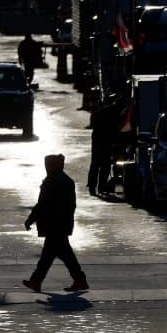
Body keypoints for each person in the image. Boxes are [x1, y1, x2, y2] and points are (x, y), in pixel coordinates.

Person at [22, 154, 89, 292]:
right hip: (61, 224)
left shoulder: (52, 181)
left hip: (54, 224)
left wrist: (31, 219)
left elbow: (42, 204)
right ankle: (37, 281)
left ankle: (78, 280)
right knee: (53, 255)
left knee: (56, 255)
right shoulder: (65, 180)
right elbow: (71, 206)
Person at [86, 99, 118, 196]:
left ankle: (92, 186)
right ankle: (101, 186)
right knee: (105, 164)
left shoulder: (97, 113)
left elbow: (92, 125)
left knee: (95, 164)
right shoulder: (112, 113)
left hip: (98, 140)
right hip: (106, 140)